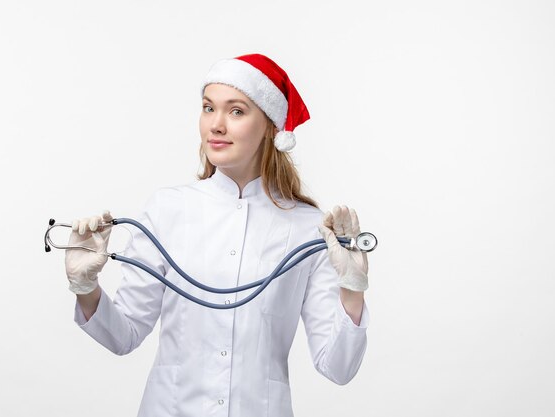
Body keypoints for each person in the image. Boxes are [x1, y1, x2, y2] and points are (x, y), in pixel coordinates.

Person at [65, 53, 370, 417]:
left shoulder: (309, 227)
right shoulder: (167, 209)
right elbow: (124, 335)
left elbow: (338, 368)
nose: (217, 125)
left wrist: (352, 290)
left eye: (236, 111)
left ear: (272, 126)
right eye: (209, 108)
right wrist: (87, 289)